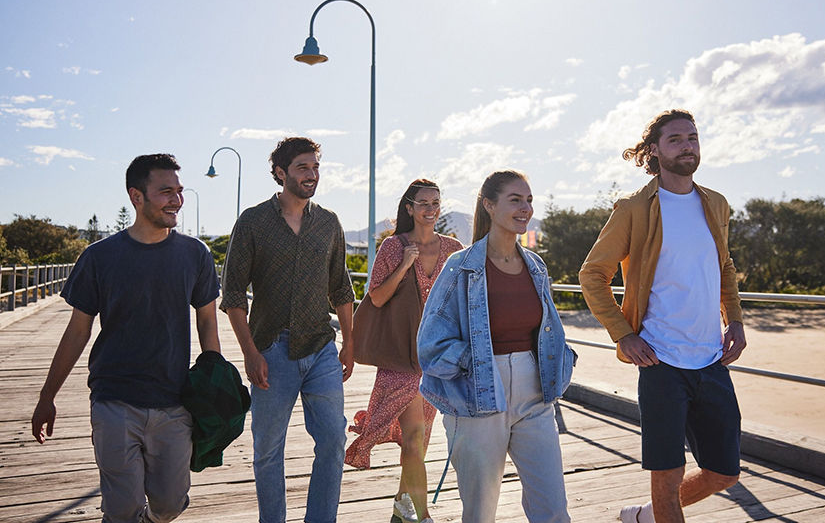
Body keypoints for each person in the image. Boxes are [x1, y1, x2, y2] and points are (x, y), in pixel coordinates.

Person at [30, 153, 221, 523]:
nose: (177, 200)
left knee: (168, 505)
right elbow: (77, 331)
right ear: (136, 196)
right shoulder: (100, 257)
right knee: (121, 509)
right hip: (114, 401)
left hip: (174, 401)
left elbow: (208, 322)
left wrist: (214, 384)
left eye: (179, 191)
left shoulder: (194, 254)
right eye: (166, 192)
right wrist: (47, 396)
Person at [579, 109, 747, 523]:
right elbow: (592, 274)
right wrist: (623, 334)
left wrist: (736, 320)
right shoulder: (634, 208)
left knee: (724, 473)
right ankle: (659, 510)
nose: (688, 145)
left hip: (711, 358)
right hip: (660, 360)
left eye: (693, 137)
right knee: (668, 475)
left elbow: (723, 265)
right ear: (654, 150)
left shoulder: (716, 203)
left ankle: (645, 516)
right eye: (675, 139)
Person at [418, 170, 576, 523]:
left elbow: (550, 333)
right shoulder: (460, 267)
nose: (525, 208)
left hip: (535, 393)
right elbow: (430, 345)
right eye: (515, 200)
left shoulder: (536, 266)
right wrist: (474, 362)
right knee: (480, 512)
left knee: (552, 507)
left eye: (529, 200)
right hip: (477, 398)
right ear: (489, 205)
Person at [220, 137, 356, 523]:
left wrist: (350, 344)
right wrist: (250, 353)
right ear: (281, 173)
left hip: (321, 349)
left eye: (315, 167)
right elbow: (232, 295)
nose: (311, 174)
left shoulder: (328, 222)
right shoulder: (252, 222)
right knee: (267, 448)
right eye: (302, 167)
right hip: (271, 351)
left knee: (333, 439)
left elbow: (341, 286)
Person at [345, 179, 463, 523]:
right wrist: (403, 266)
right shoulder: (393, 247)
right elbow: (377, 298)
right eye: (423, 203)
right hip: (400, 359)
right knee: (413, 438)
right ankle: (423, 514)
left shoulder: (454, 248)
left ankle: (401, 510)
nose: (430, 209)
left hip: (436, 358)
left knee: (419, 444)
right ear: (409, 208)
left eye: (436, 203)